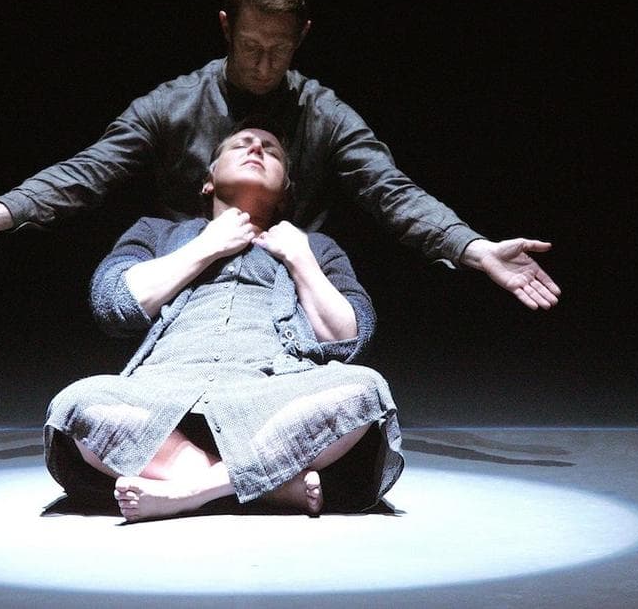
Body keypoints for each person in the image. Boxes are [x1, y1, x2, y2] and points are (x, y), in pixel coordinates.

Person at [0, 0, 561, 311]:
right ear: (226, 27)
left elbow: (393, 193)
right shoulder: (172, 104)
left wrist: (474, 249)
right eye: (250, 45)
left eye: (279, 49)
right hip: (182, 274)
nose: (262, 64)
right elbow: (89, 170)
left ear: (302, 38)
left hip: (284, 281)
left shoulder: (324, 114)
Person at [46, 123, 401, 521]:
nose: (255, 147)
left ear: (286, 189)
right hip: (162, 395)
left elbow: (348, 340)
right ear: (208, 181)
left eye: (271, 149)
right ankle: (271, 484)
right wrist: (206, 246)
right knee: (78, 402)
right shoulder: (158, 233)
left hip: (273, 400)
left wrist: (301, 261)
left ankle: (194, 491)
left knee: (364, 390)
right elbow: (113, 302)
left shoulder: (316, 247)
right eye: (240, 144)